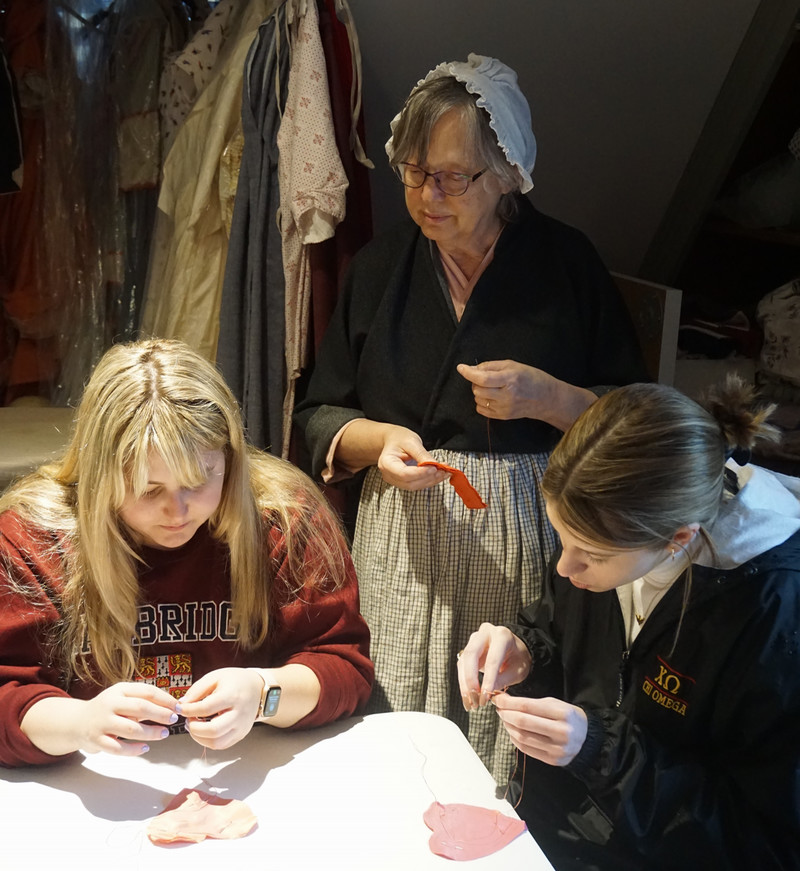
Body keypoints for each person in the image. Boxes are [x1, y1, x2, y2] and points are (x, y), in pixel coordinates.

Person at [294, 53, 647, 782]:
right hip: (404, 541)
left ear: (509, 172)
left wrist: (548, 398)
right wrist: (378, 442)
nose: (428, 193)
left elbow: (640, 424)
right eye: (416, 170)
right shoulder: (380, 267)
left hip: (531, 537)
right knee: (394, 728)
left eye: (453, 176)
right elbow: (320, 411)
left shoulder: (566, 265)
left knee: (502, 715)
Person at [457, 378, 800, 869]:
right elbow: (567, 631)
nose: (564, 569)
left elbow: (764, 841)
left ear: (677, 539)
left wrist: (603, 753)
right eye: (561, 538)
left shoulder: (774, 614)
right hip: (552, 834)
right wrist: (528, 646)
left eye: (591, 556)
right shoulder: (614, 524)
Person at [0, 338, 373, 768]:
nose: (176, 511)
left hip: (244, 781)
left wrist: (262, 693)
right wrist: (81, 722)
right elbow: (10, 689)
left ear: (229, 462)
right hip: (98, 791)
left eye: (200, 480)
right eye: (148, 489)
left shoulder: (284, 517)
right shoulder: (35, 536)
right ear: (97, 474)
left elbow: (343, 664)